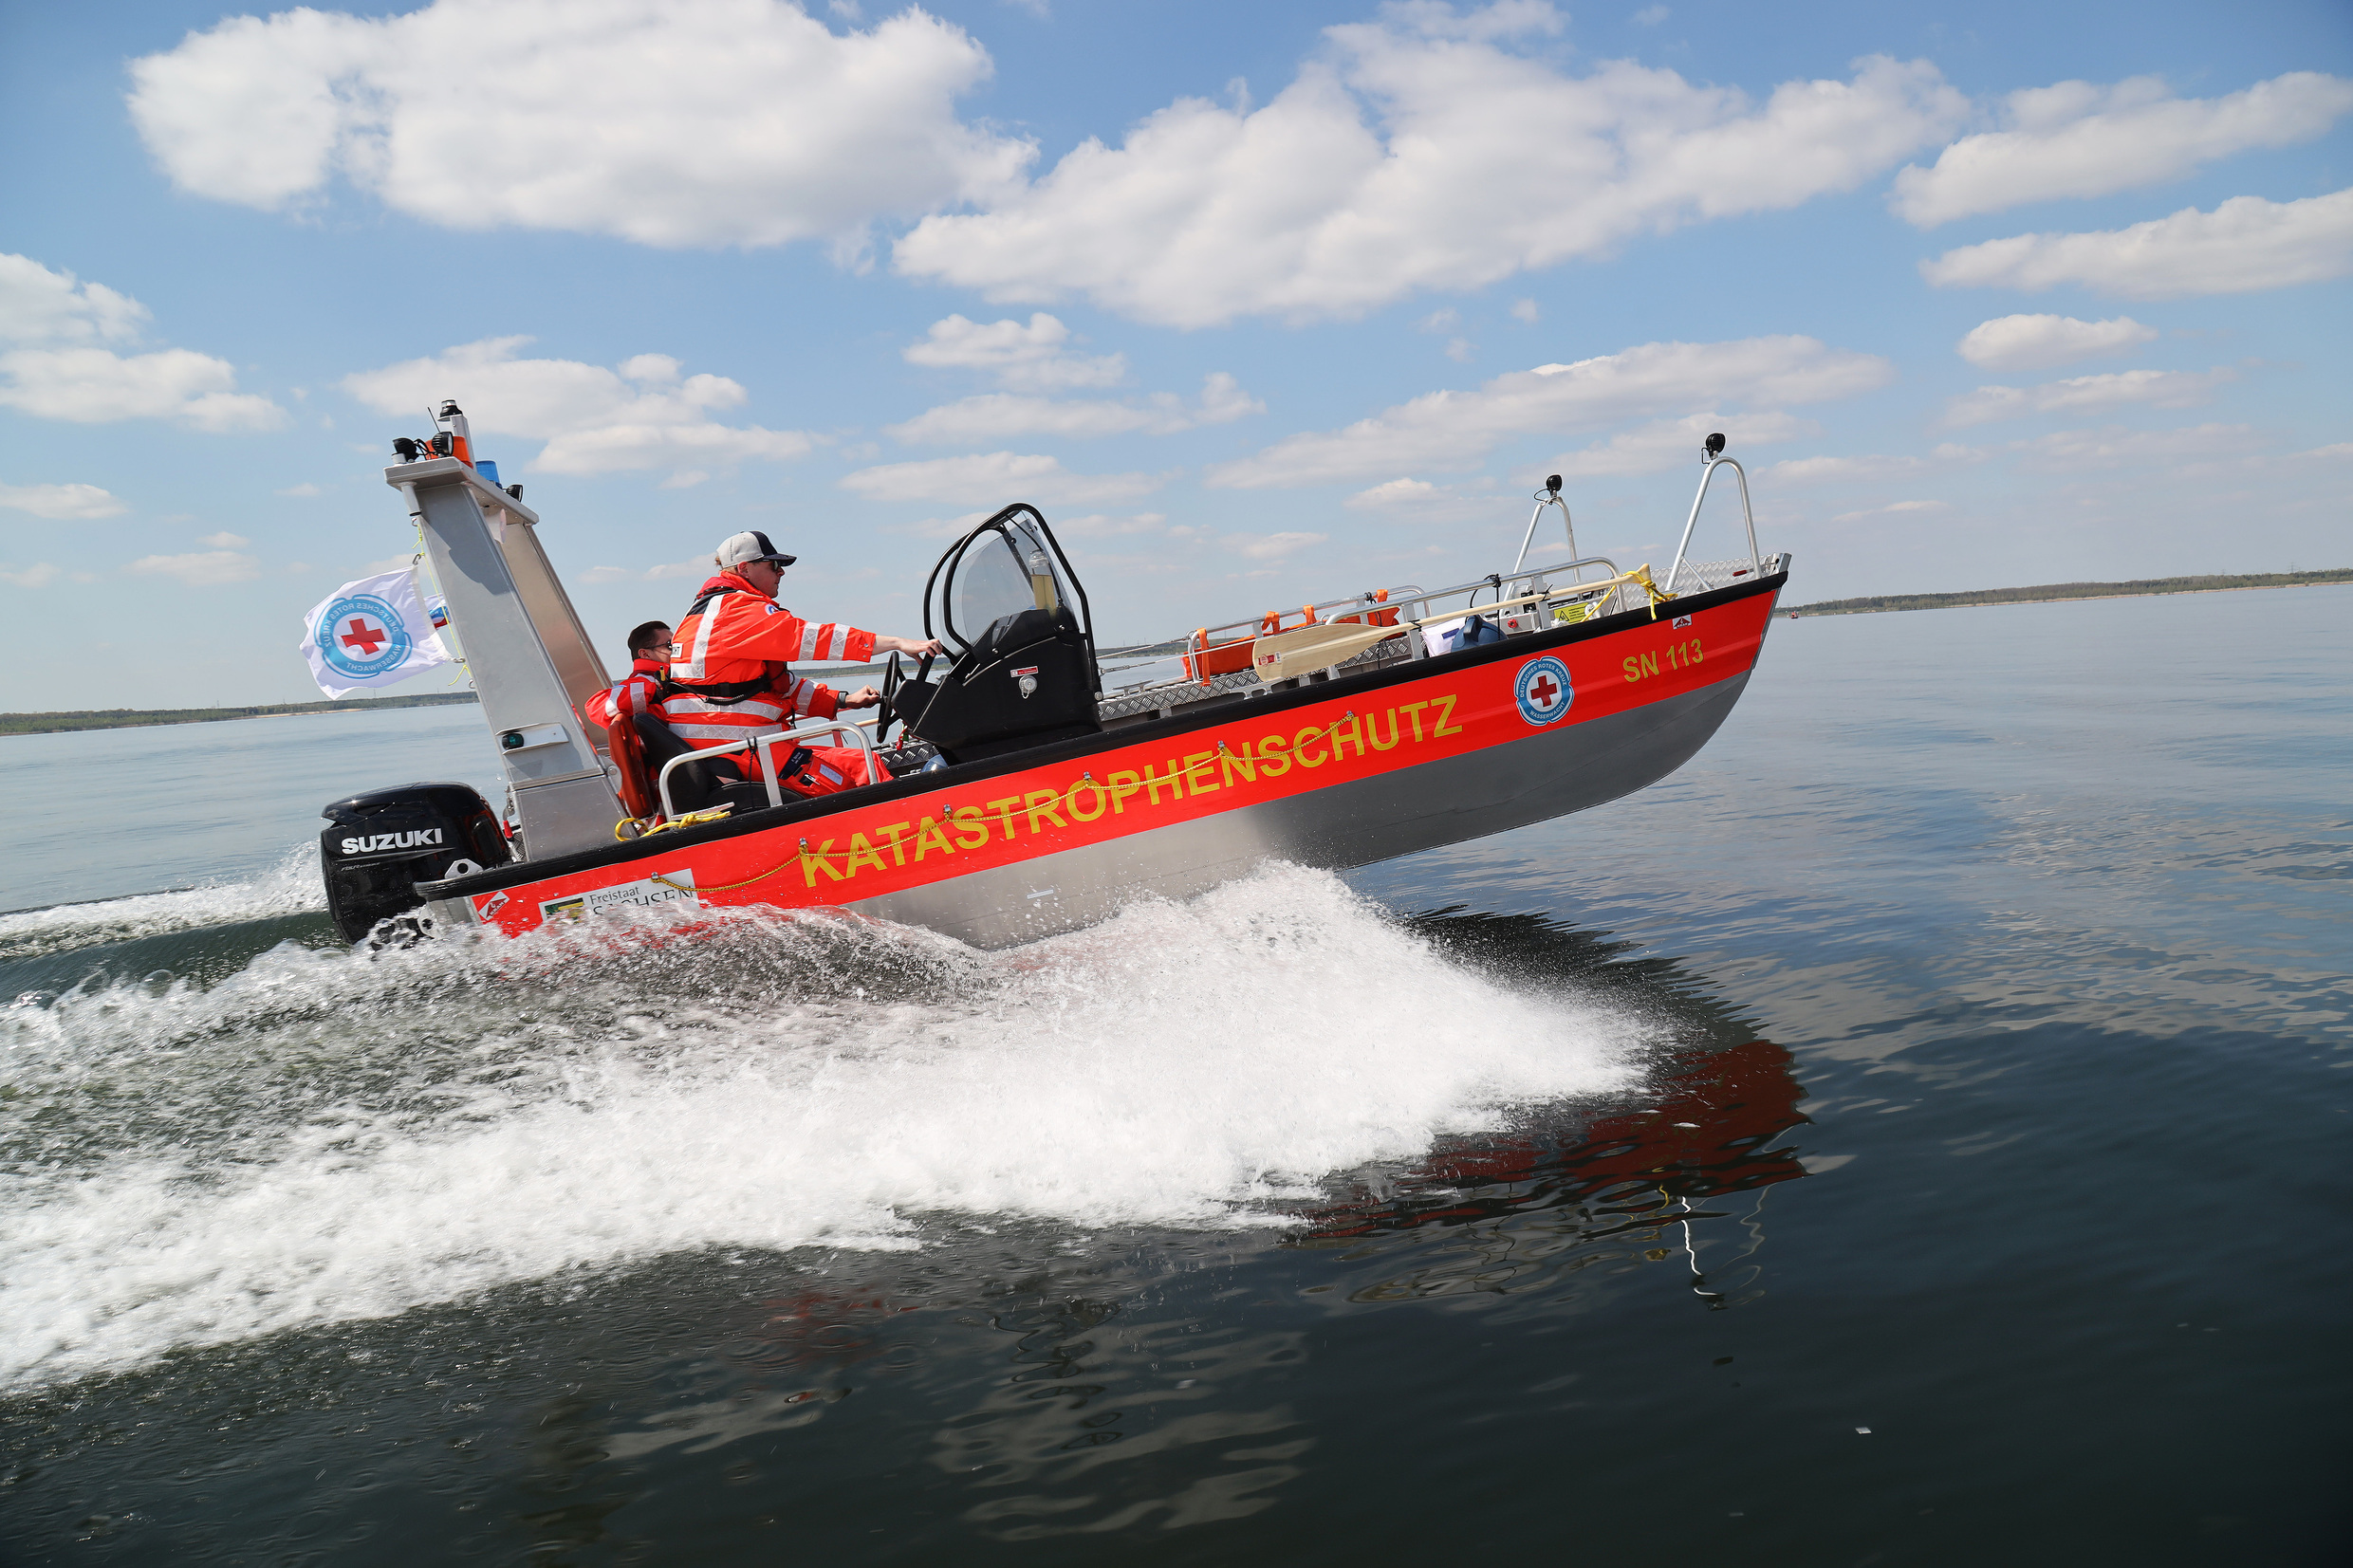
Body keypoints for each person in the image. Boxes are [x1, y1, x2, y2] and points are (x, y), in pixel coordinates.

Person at [658, 531, 939, 797]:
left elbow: (775, 685)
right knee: (852, 777)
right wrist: (897, 643)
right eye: (773, 566)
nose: (781, 572)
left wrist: (844, 700)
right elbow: (814, 639)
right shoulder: (736, 611)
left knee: (864, 762)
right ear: (744, 568)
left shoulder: (712, 611)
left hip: (737, 744)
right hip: (736, 746)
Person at [583, 619, 671, 732]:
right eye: (670, 645)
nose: (678, 650)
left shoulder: (675, 678)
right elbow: (594, 708)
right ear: (645, 654)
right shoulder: (646, 681)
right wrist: (657, 687)